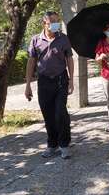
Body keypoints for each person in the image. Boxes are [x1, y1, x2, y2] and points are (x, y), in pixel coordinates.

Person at [25, 11, 74, 159]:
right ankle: (52, 145)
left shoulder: (63, 39)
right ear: (44, 23)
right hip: (44, 81)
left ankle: (64, 144)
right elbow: (31, 62)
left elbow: (69, 59)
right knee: (48, 115)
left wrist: (71, 80)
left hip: (61, 80)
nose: (55, 24)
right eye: (52, 21)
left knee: (60, 112)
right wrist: (28, 84)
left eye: (57, 21)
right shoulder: (35, 40)